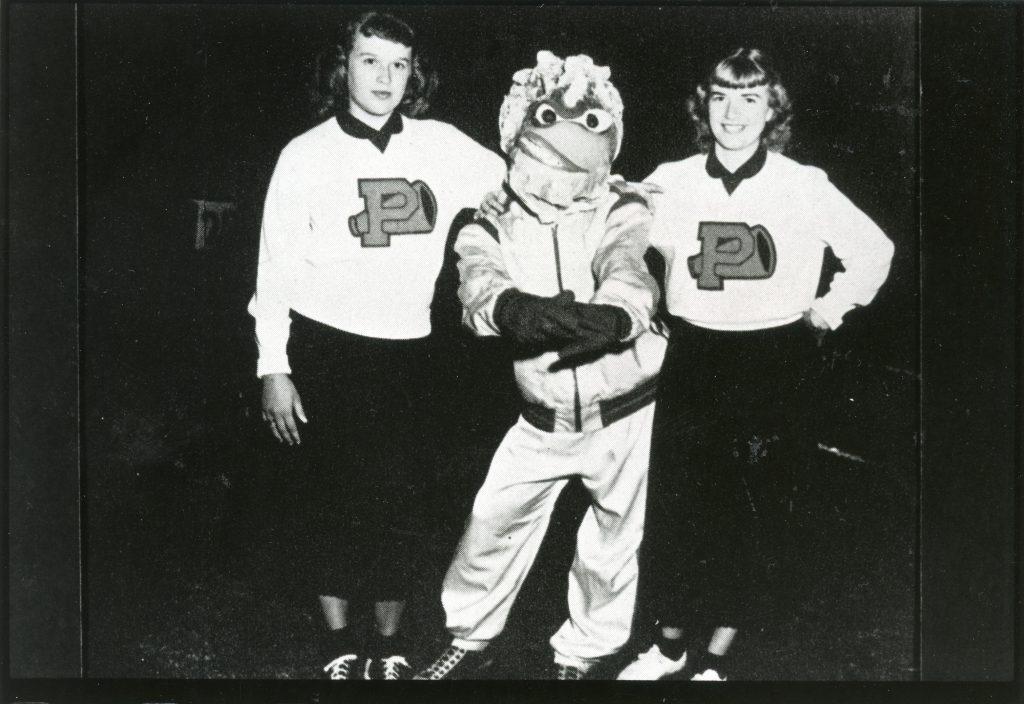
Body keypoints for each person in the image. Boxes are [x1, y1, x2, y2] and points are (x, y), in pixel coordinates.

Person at [617, 48, 895, 681]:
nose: (732, 113)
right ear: (702, 105)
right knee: (679, 506)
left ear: (773, 111)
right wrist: (646, 297)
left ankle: (717, 658)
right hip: (696, 357)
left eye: (749, 99)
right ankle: (667, 645)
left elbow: (874, 250)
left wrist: (828, 310)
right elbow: (620, 245)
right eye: (720, 97)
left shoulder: (804, 184)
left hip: (771, 361)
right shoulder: (671, 179)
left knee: (753, 513)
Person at [247, 11, 505, 680]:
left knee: (402, 504)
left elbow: (522, 180)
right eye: (369, 61)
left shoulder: (443, 145)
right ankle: (337, 644)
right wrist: (273, 365)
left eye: (398, 64)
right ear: (343, 67)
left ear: (414, 73)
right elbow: (274, 270)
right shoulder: (303, 155)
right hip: (328, 350)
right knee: (327, 501)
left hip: (410, 352)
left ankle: (389, 644)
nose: (385, 77)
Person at [413, 51, 667, 681]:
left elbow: (627, 263)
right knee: (490, 523)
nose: (567, 138)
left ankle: (581, 652)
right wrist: (511, 309)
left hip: (626, 411)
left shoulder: (622, 201)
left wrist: (614, 317)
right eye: (550, 119)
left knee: (613, 546)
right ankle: (470, 636)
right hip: (542, 408)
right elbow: (477, 274)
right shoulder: (491, 210)